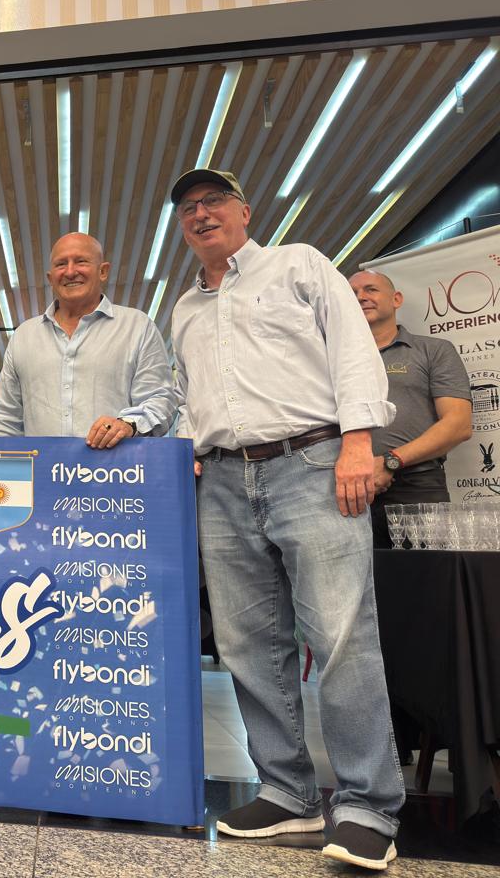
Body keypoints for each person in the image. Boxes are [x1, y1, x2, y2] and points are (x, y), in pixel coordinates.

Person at [170, 169, 403, 870]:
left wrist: (358, 442)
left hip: (312, 461)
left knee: (339, 635)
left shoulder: (299, 264)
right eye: (188, 208)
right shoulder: (184, 308)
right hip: (222, 479)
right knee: (246, 645)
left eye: (214, 201)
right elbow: (188, 394)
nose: (201, 213)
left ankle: (367, 806)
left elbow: (352, 351)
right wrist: (187, 448)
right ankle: (287, 792)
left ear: (245, 211)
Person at [0, 232, 175, 443]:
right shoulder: (23, 336)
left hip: (116, 464)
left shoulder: (137, 327)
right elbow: (4, 421)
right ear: (50, 278)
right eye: (61, 264)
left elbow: (160, 400)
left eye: (81, 261)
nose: (70, 272)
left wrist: (128, 424)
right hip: (41, 464)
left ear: (103, 271)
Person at [349, 270, 472, 548]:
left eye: (370, 289)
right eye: (352, 294)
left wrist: (390, 461)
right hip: (350, 488)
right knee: (359, 577)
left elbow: (459, 424)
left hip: (418, 484)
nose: (360, 297)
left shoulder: (434, 350)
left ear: (396, 299)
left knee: (427, 572)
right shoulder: (333, 361)